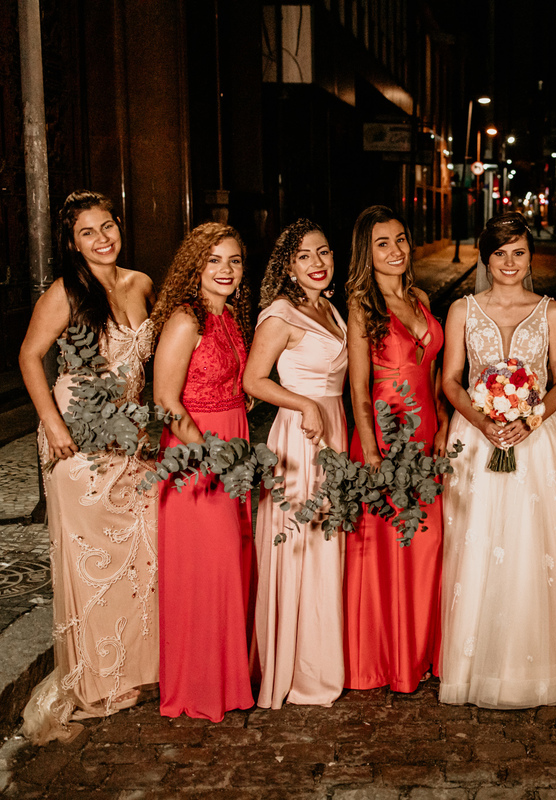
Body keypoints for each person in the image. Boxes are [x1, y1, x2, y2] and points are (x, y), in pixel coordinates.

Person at [17, 190, 158, 744]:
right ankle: (100, 681)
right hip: (78, 441)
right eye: (87, 233)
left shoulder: (141, 283)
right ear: (72, 244)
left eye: (107, 227)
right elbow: (30, 356)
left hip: (130, 437)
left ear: (119, 226)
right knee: (93, 560)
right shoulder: (65, 292)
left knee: (144, 549)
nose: (102, 239)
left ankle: (139, 669)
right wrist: (53, 426)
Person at [438, 212, 556, 708]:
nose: (510, 262)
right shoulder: (462, 310)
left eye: (519, 252)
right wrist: (482, 422)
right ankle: (471, 668)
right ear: (486, 258)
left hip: (536, 442)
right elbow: (450, 379)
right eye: (500, 253)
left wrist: (532, 419)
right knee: (475, 543)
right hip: (477, 439)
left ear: (531, 256)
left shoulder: (550, 312)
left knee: (529, 546)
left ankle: (526, 669)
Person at [150, 222, 255, 721]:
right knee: (207, 568)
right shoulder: (185, 319)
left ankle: (228, 682)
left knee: (229, 567)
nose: (225, 270)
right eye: (214, 260)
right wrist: (212, 454)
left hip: (233, 440)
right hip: (196, 455)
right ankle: (197, 688)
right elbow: (166, 400)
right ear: (195, 265)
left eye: (234, 260)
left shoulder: (229, 316)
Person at [244, 219, 348, 708]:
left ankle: (321, 657)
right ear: (288, 266)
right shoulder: (280, 314)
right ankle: (297, 667)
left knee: (327, 539)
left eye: (323, 252)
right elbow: (254, 380)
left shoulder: (328, 307)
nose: (317, 263)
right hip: (301, 436)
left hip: (335, 430)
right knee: (302, 540)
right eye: (304, 256)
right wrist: (304, 404)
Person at [344, 205, 447, 692]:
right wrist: (371, 452)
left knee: (426, 543)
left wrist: (443, 423)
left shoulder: (419, 297)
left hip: (426, 436)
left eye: (400, 239)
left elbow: (432, 372)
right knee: (388, 550)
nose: (395, 250)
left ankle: (418, 652)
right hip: (385, 435)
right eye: (382, 243)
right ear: (367, 253)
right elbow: (358, 389)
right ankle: (383, 662)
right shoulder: (362, 307)